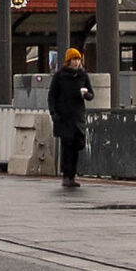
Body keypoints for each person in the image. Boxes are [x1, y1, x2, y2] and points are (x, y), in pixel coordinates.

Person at [48, 47, 95, 189]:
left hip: (78, 116)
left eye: (78, 59)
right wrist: (53, 113)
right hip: (64, 117)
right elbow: (52, 95)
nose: (76, 62)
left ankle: (72, 174)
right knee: (67, 146)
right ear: (68, 61)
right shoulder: (60, 76)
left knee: (78, 145)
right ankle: (67, 176)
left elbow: (91, 94)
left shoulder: (83, 76)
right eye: (74, 59)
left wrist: (86, 95)